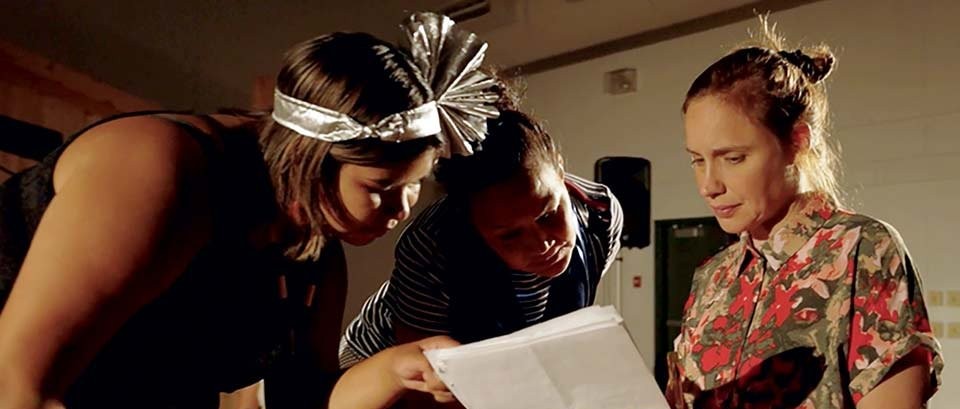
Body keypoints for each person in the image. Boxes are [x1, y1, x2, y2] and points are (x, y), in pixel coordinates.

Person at [0, 12, 500, 409]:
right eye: (381, 187)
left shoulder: (314, 254)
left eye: (414, 187)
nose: (400, 210)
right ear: (310, 160)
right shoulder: (157, 171)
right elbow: (18, 388)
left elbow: (302, 397)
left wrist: (395, 369)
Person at [666, 19, 943, 409]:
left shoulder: (861, 250)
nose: (708, 185)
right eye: (697, 160)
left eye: (733, 158)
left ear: (796, 142)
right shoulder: (712, 279)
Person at [338, 109, 623, 406]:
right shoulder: (432, 245)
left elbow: (563, 320)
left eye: (548, 215)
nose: (543, 244)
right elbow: (426, 380)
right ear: (470, 220)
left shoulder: (601, 215)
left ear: (560, 171)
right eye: (510, 235)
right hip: (385, 365)